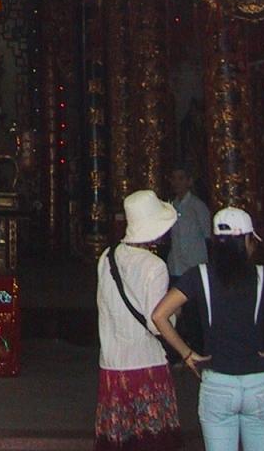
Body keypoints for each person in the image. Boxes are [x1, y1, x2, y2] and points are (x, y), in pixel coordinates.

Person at [151, 207, 264, 451]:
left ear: (215, 243)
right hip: (257, 383)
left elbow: (159, 315)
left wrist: (187, 354)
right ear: (248, 241)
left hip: (217, 384)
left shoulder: (198, 276)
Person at [94, 189, 183, 451]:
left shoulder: (107, 257)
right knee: (151, 440)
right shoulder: (154, 266)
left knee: (120, 440)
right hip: (146, 362)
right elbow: (157, 322)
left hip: (112, 362)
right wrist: (175, 314)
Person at [167, 167, 210, 278]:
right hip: (175, 265)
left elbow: (207, 235)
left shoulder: (198, 206)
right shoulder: (171, 206)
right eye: (174, 179)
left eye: (181, 178)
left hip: (194, 264)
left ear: (189, 181)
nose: (176, 183)